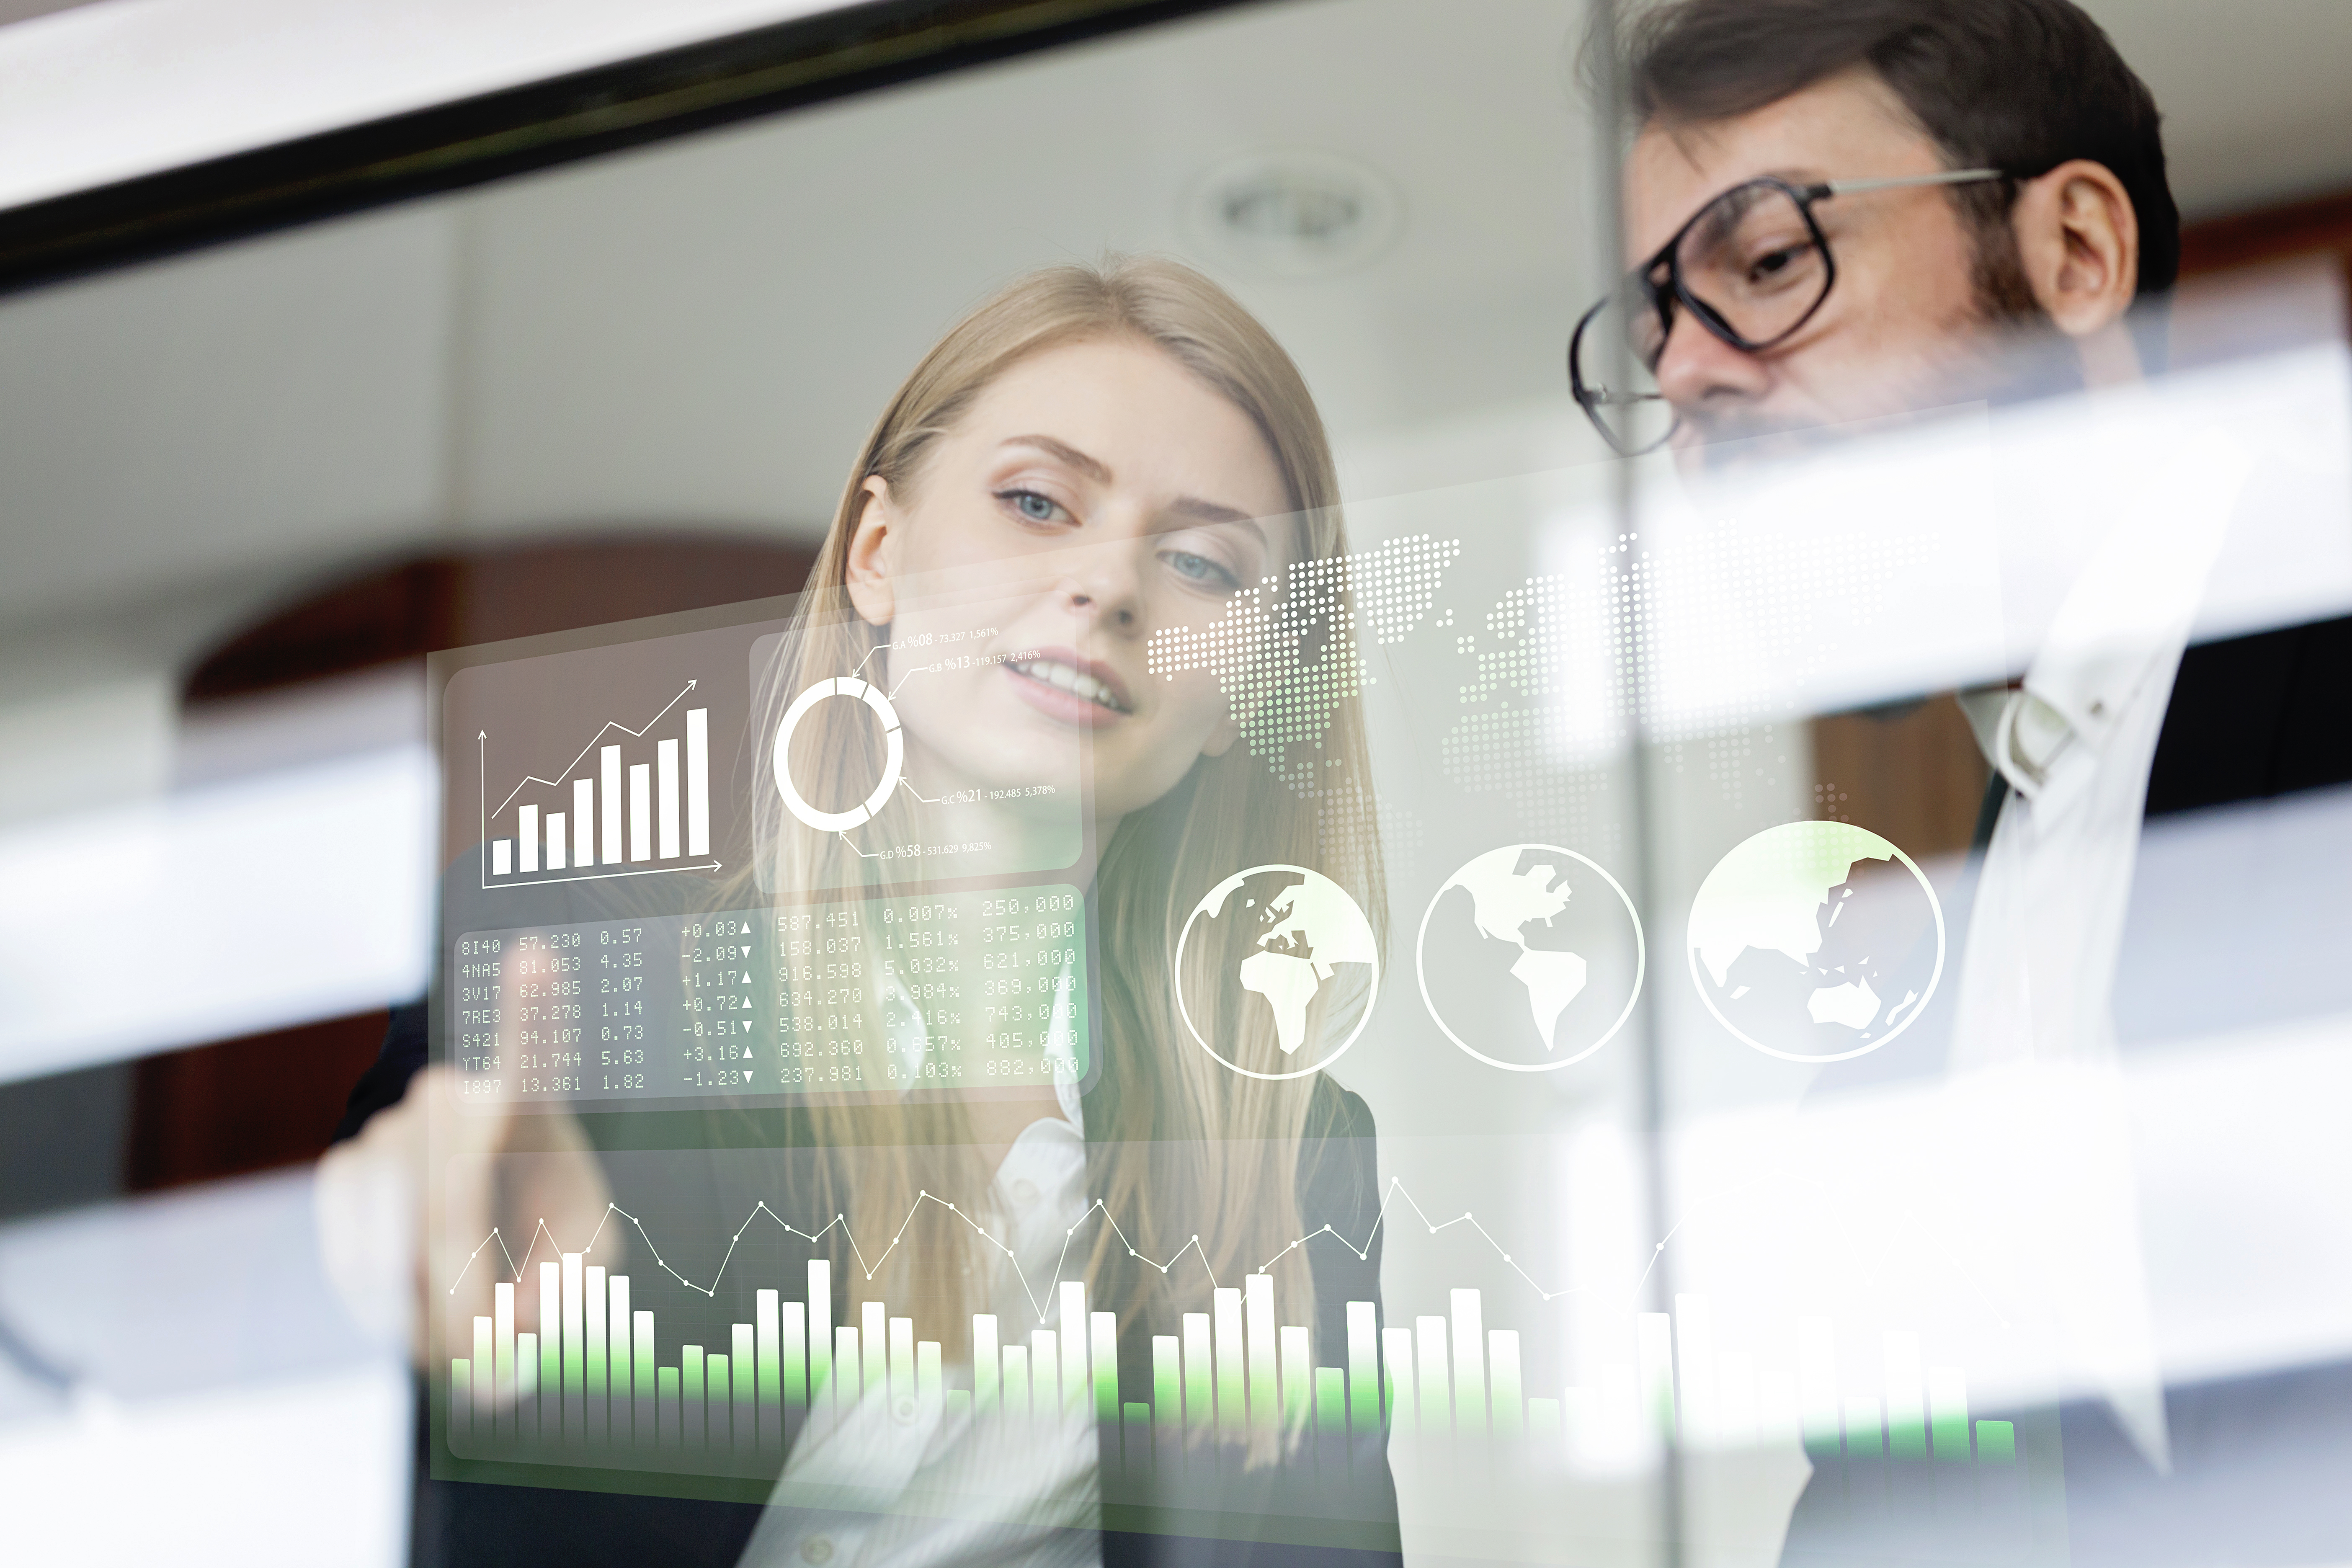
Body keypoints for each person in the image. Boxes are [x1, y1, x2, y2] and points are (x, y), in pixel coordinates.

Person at [322, 255, 1399, 1568]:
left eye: (1202, 564)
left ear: (1251, 688)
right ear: (880, 556)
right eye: (1037, 501)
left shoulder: (1295, 1154)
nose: (1111, 586)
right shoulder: (571, 974)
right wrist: (401, 1271)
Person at [1583, 4, 2352, 1567]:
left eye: (1770, 265)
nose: (1691, 382)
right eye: (1657, 325)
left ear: (2074, 254)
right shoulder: (1960, 934)